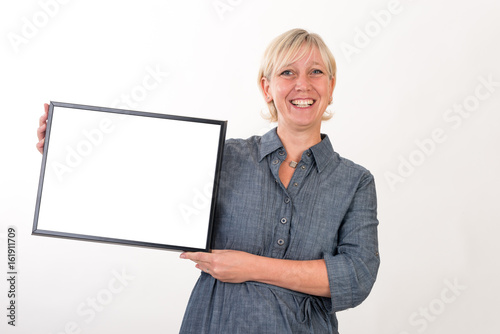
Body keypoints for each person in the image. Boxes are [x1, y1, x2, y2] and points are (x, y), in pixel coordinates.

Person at [37, 28, 379, 333]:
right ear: (267, 88)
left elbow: (356, 276)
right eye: (287, 72)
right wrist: (65, 149)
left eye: (316, 72)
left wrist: (250, 267)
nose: (302, 84)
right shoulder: (224, 157)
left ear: (331, 87)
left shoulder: (355, 182)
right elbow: (145, 187)